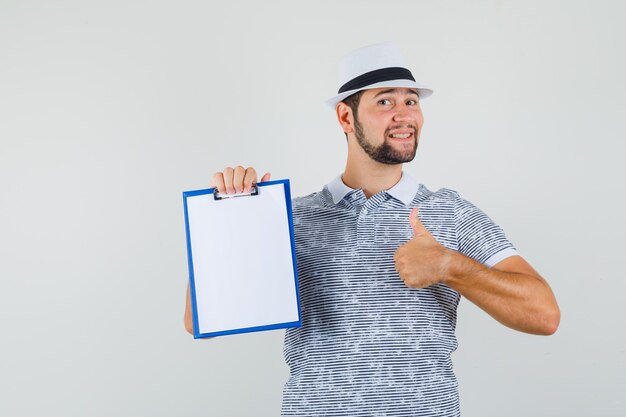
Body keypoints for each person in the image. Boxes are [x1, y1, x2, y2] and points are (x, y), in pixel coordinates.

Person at [184, 42, 560, 416]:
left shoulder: (449, 211)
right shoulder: (292, 218)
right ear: (346, 118)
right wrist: (230, 219)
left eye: (411, 101)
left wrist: (450, 266)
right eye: (385, 102)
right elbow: (200, 319)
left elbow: (544, 315)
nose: (403, 114)